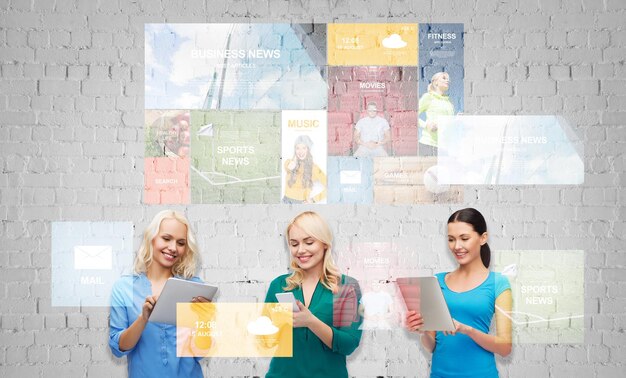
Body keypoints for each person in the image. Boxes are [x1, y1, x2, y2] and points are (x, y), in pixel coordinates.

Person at [405, 208, 512, 378]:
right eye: (451, 239)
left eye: (464, 238)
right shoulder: (436, 282)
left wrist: (468, 330)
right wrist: (422, 330)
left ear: (483, 238)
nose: (457, 246)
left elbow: (505, 347)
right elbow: (431, 346)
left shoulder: (498, 283)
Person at [109, 210, 209, 378]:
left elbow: (200, 353)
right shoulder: (123, 288)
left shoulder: (195, 288)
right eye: (166, 238)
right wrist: (143, 319)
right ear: (152, 238)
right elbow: (119, 348)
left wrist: (205, 322)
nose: (173, 248)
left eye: (181, 243)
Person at [264, 211, 363, 377]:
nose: (301, 250)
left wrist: (310, 322)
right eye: (294, 244)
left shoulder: (347, 287)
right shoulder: (279, 285)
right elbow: (266, 342)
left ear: (325, 244)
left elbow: (348, 345)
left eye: (309, 242)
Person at [418, 72, 455, 156]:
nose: (447, 80)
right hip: (429, 145)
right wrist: (426, 125)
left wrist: (457, 119)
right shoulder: (428, 97)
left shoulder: (449, 102)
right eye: (444, 78)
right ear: (435, 82)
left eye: (448, 79)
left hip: (445, 147)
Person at [283, 135, 327, 204]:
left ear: (308, 149)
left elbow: (330, 187)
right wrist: (290, 165)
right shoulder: (289, 162)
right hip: (285, 201)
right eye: (298, 148)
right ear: (295, 150)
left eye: (304, 148)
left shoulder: (314, 168)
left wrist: (313, 200)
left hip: (300, 203)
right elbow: (287, 166)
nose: (300, 151)